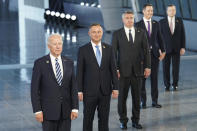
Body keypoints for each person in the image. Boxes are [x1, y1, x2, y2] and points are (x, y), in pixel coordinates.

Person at [112, 11, 151, 129]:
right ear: (123, 20)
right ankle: (123, 121)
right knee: (122, 98)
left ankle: (135, 120)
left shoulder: (141, 32)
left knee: (137, 98)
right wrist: (116, 69)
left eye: (131, 18)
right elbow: (113, 53)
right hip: (122, 72)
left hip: (137, 71)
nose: (129, 20)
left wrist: (148, 67)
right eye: (127, 18)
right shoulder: (117, 34)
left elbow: (146, 51)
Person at [31, 34, 79, 131]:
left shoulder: (69, 62)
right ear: (49, 46)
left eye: (60, 44)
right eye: (54, 44)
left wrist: (75, 108)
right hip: (48, 112)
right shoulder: (40, 63)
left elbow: (73, 87)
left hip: (66, 112)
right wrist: (37, 110)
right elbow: (34, 89)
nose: (58, 46)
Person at [77, 24, 119, 131]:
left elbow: (113, 70)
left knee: (104, 119)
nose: (97, 34)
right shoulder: (83, 50)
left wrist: (115, 87)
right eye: (94, 32)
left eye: (99, 32)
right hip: (89, 92)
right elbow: (80, 72)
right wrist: (79, 91)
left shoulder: (109, 49)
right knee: (88, 119)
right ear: (89, 33)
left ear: (102, 33)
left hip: (105, 91)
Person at [135, 4, 166, 109]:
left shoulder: (156, 24)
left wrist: (164, 51)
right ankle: (143, 102)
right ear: (143, 11)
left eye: (152, 11)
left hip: (154, 55)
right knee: (142, 80)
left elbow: (160, 38)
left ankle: (154, 101)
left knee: (154, 79)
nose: (150, 13)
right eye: (148, 11)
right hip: (142, 57)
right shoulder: (138, 25)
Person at [159, 4, 186, 91]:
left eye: (173, 10)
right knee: (165, 68)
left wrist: (183, 47)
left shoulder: (179, 21)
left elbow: (183, 35)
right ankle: (167, 85)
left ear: (175, 11)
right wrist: (160, 49)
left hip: (177, 48)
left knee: (176, 68)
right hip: (165, 49)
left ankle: (175, 84)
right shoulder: (161, 22)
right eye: (170, 10)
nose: (172, 12)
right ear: (167, 11)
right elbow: (159, 37)